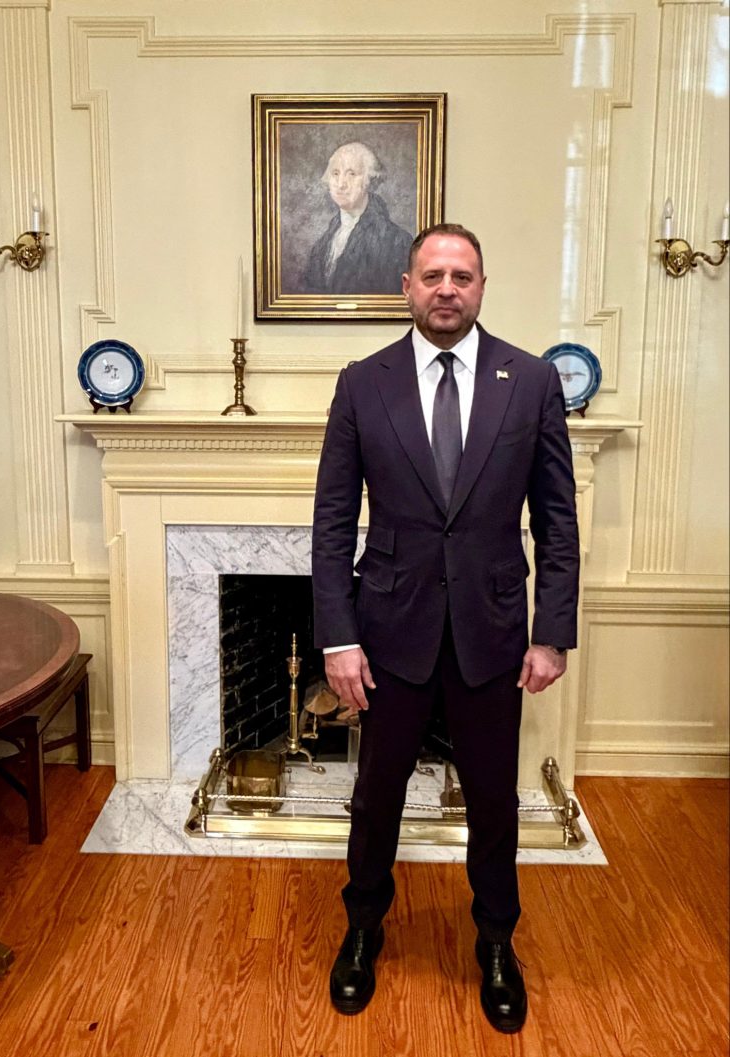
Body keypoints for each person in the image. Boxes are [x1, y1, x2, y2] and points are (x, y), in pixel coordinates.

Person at [311, 223, 579, 1034]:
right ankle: (362, 926)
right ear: (407, 285)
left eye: (462, 274)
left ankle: (496, 942)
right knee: (375, 796)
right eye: (433, 274)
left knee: (494, 799)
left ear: (483, 286)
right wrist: (337, 636)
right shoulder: (363, 383)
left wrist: (551, 630)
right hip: (388, 632)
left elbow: (557, 521)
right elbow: (331, 522)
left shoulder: (530, 382)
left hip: (494, 632)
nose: (446, 288)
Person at [303, 141, 413, 295]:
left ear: (369, 179)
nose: (341, 184)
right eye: (335, 173)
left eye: (352, 174)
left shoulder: (397, 241)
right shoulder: (322, 244)